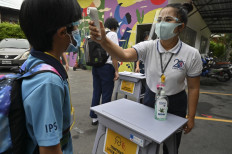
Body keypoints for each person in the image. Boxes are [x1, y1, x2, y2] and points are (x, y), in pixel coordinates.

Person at [89, 1, 202, 154]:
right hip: (150, 98)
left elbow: (194, 87)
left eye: (168, 20)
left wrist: (192, 116)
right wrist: (103, 40)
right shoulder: (148, 46)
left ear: (181, 26)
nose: (162, 24)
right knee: (147, 143)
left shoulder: (191, 54)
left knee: (172, 145)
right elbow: (124, 54)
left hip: (176, 102)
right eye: (160, 20)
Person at [19, 0, 81, 153]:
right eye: (75, 25)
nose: (77, 30)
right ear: (62, 32)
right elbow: (49, 149)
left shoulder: (32, 62)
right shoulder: (49, 82)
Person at [90, 17, 119, 125]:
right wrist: (116, 70)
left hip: (96, 66)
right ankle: (104, 118)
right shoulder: (112, 34)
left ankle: (94, 117)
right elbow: (114, 53)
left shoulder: (99, 34)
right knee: (107, 93)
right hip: (107, 67)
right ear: (114, 27)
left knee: (96, 91)